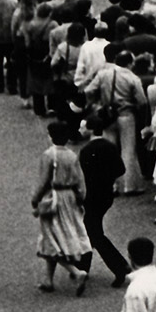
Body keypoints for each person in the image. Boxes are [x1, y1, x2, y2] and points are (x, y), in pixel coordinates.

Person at [33, 117, 96, 294]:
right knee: (60, 234)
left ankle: (76, 272)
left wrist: (35, 199)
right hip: (70, 197)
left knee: (51, 237)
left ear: (51, 136)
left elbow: (43, 180)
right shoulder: (71, 155)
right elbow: (79, 180)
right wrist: (80, 197)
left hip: (54, 197)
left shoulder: (48, 155)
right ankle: (48, 279)